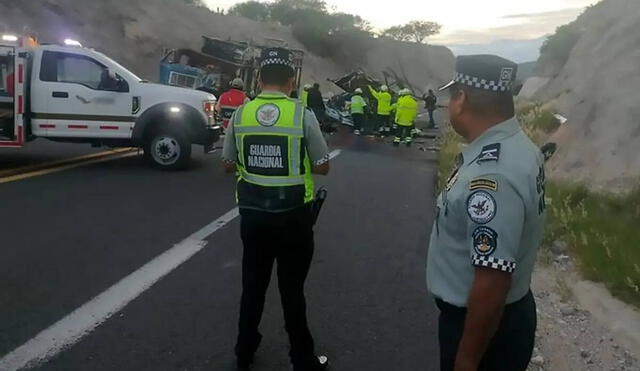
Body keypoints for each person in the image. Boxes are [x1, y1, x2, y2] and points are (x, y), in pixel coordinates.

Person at [426, 55, 545, 371]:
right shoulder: (518, 147)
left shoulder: (492, 176)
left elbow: (492, 279)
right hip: (505, 316)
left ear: (461, 99)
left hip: (481, 328)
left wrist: (466, 360)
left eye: (452, 96)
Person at [221, 47, 330, 371]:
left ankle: (244, 351)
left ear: (258, 78)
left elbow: (227, 164)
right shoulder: (301, 115)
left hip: (253, 216)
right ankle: (302, 359)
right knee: (292, 290)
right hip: (294, 216)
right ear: (291, 81)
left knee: (252, 286)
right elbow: (323, 165)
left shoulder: (241, 114)